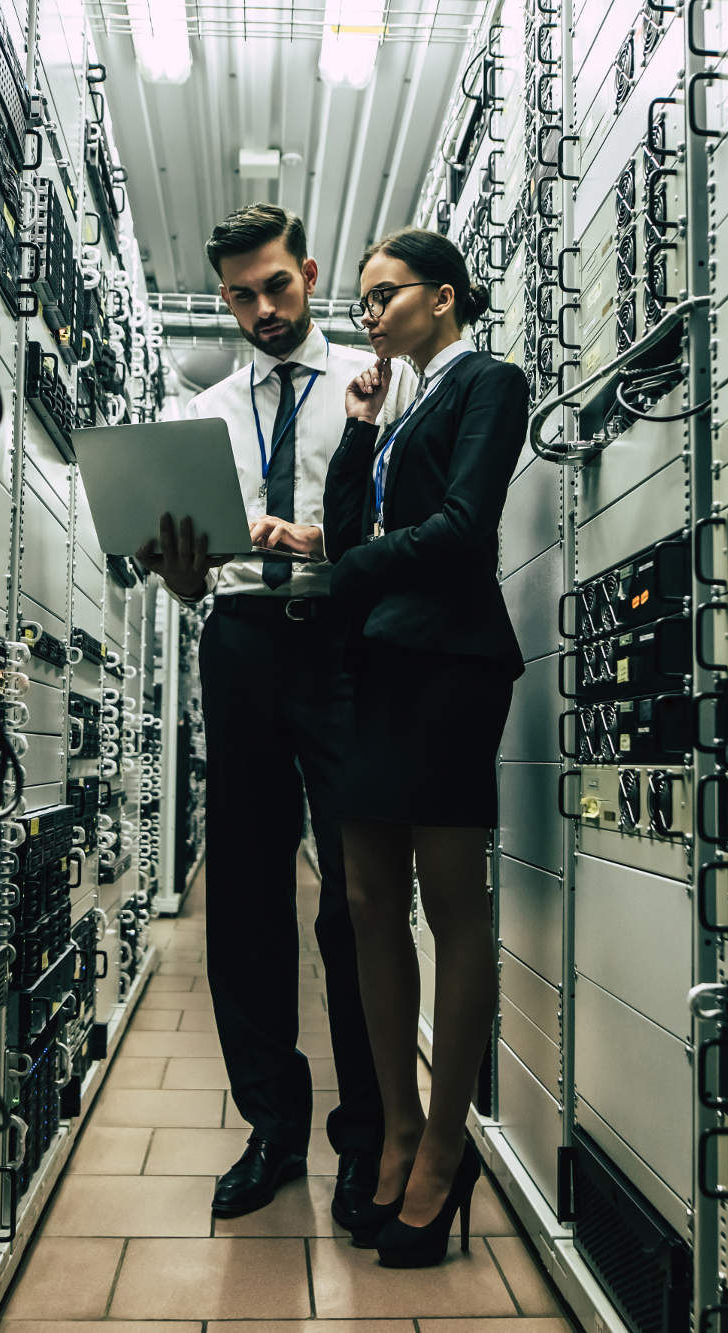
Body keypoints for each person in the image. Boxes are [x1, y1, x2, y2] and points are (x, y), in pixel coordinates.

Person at [133, 203, 419, 1227]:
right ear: (224, 299)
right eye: (241, 296)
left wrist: (327, 544)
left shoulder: (376, 388)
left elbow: (408, 527)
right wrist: (176, 571)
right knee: (246, 891)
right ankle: (271, 1128)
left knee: (354, 894)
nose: (261, 308)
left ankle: (365, 1137)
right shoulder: (204, 410)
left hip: (343, 643)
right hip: (242, 639)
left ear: (306, 274)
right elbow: (188, 573)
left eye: (276, 287)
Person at [257, 226, 526, 1268]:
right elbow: (346, 520)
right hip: (374, 663)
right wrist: (360, 431)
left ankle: (445, 1145)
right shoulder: (402, 403)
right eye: (362, 302)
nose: (367, 318)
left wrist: (348, 571)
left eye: (383, 297)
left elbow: (463, 529)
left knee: (451, 903)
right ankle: (399, 1130)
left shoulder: (487, 385)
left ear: (443, 298)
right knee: (365, 898)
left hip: (449, 663)